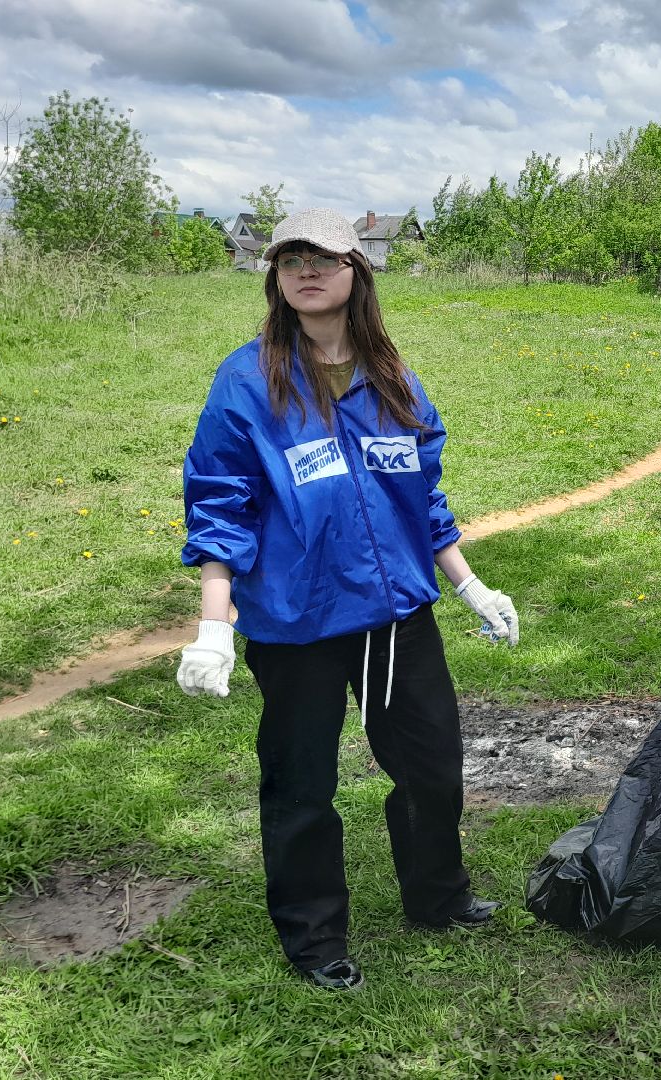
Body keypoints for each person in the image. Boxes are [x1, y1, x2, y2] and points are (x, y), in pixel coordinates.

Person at [175, 208, 519, 992]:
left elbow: (420, 499)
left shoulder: (391, 373)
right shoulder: (247, 378)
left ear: (356, 270)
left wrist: (469, 584)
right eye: (289, 257)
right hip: (298, 619)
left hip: (397, 613)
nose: (305, 269)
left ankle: (437, 897)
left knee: (434, 767)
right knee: (302, 784)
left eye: (322, 256)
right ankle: (314, 936)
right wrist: (213, 625)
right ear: (275, 276)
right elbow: (219, 503)